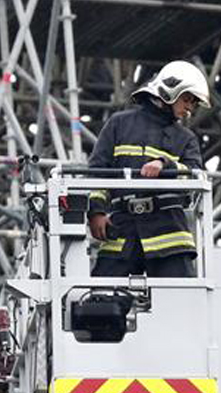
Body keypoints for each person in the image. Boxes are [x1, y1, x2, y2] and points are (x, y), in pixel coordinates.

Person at [87, 61, 210, 277]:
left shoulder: (186, 138)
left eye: (194, 103)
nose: (190, 108)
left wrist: (165, 164)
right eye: (188, 99)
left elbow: (194, 178)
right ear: (170, 92)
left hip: (169, 235)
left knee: (183, 302)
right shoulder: (119, 124)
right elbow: (99, 170)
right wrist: (96, 213)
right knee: (100, 301)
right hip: (122, 229)